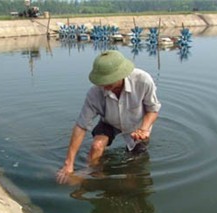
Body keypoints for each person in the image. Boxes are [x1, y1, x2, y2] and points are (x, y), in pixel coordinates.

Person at [56, 50, 161, 184]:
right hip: (110, 121)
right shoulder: (95, 93)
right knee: (96, 146)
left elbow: (153, 110)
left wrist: (144, 129)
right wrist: (68, 163)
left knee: (134, 172)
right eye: (102, 82)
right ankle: (95, 175)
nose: (105, 86)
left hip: (137, 126)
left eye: (109, 82)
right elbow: (81, 126)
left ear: (121, 74)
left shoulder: (143, 81)